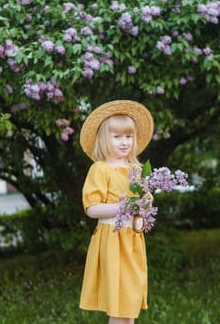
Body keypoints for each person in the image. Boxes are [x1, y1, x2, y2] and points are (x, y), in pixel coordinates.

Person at [79, 100, 154, 324]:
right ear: (104, 139)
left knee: (129, 304)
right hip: (112, 241)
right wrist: (122, 207)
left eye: (128, 137)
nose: (124, 142)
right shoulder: (100, 169)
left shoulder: (136, 170)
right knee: (119, 305)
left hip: (133, 241)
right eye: (117, 137)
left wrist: (145, 205)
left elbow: (147, 202)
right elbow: (92, 208)